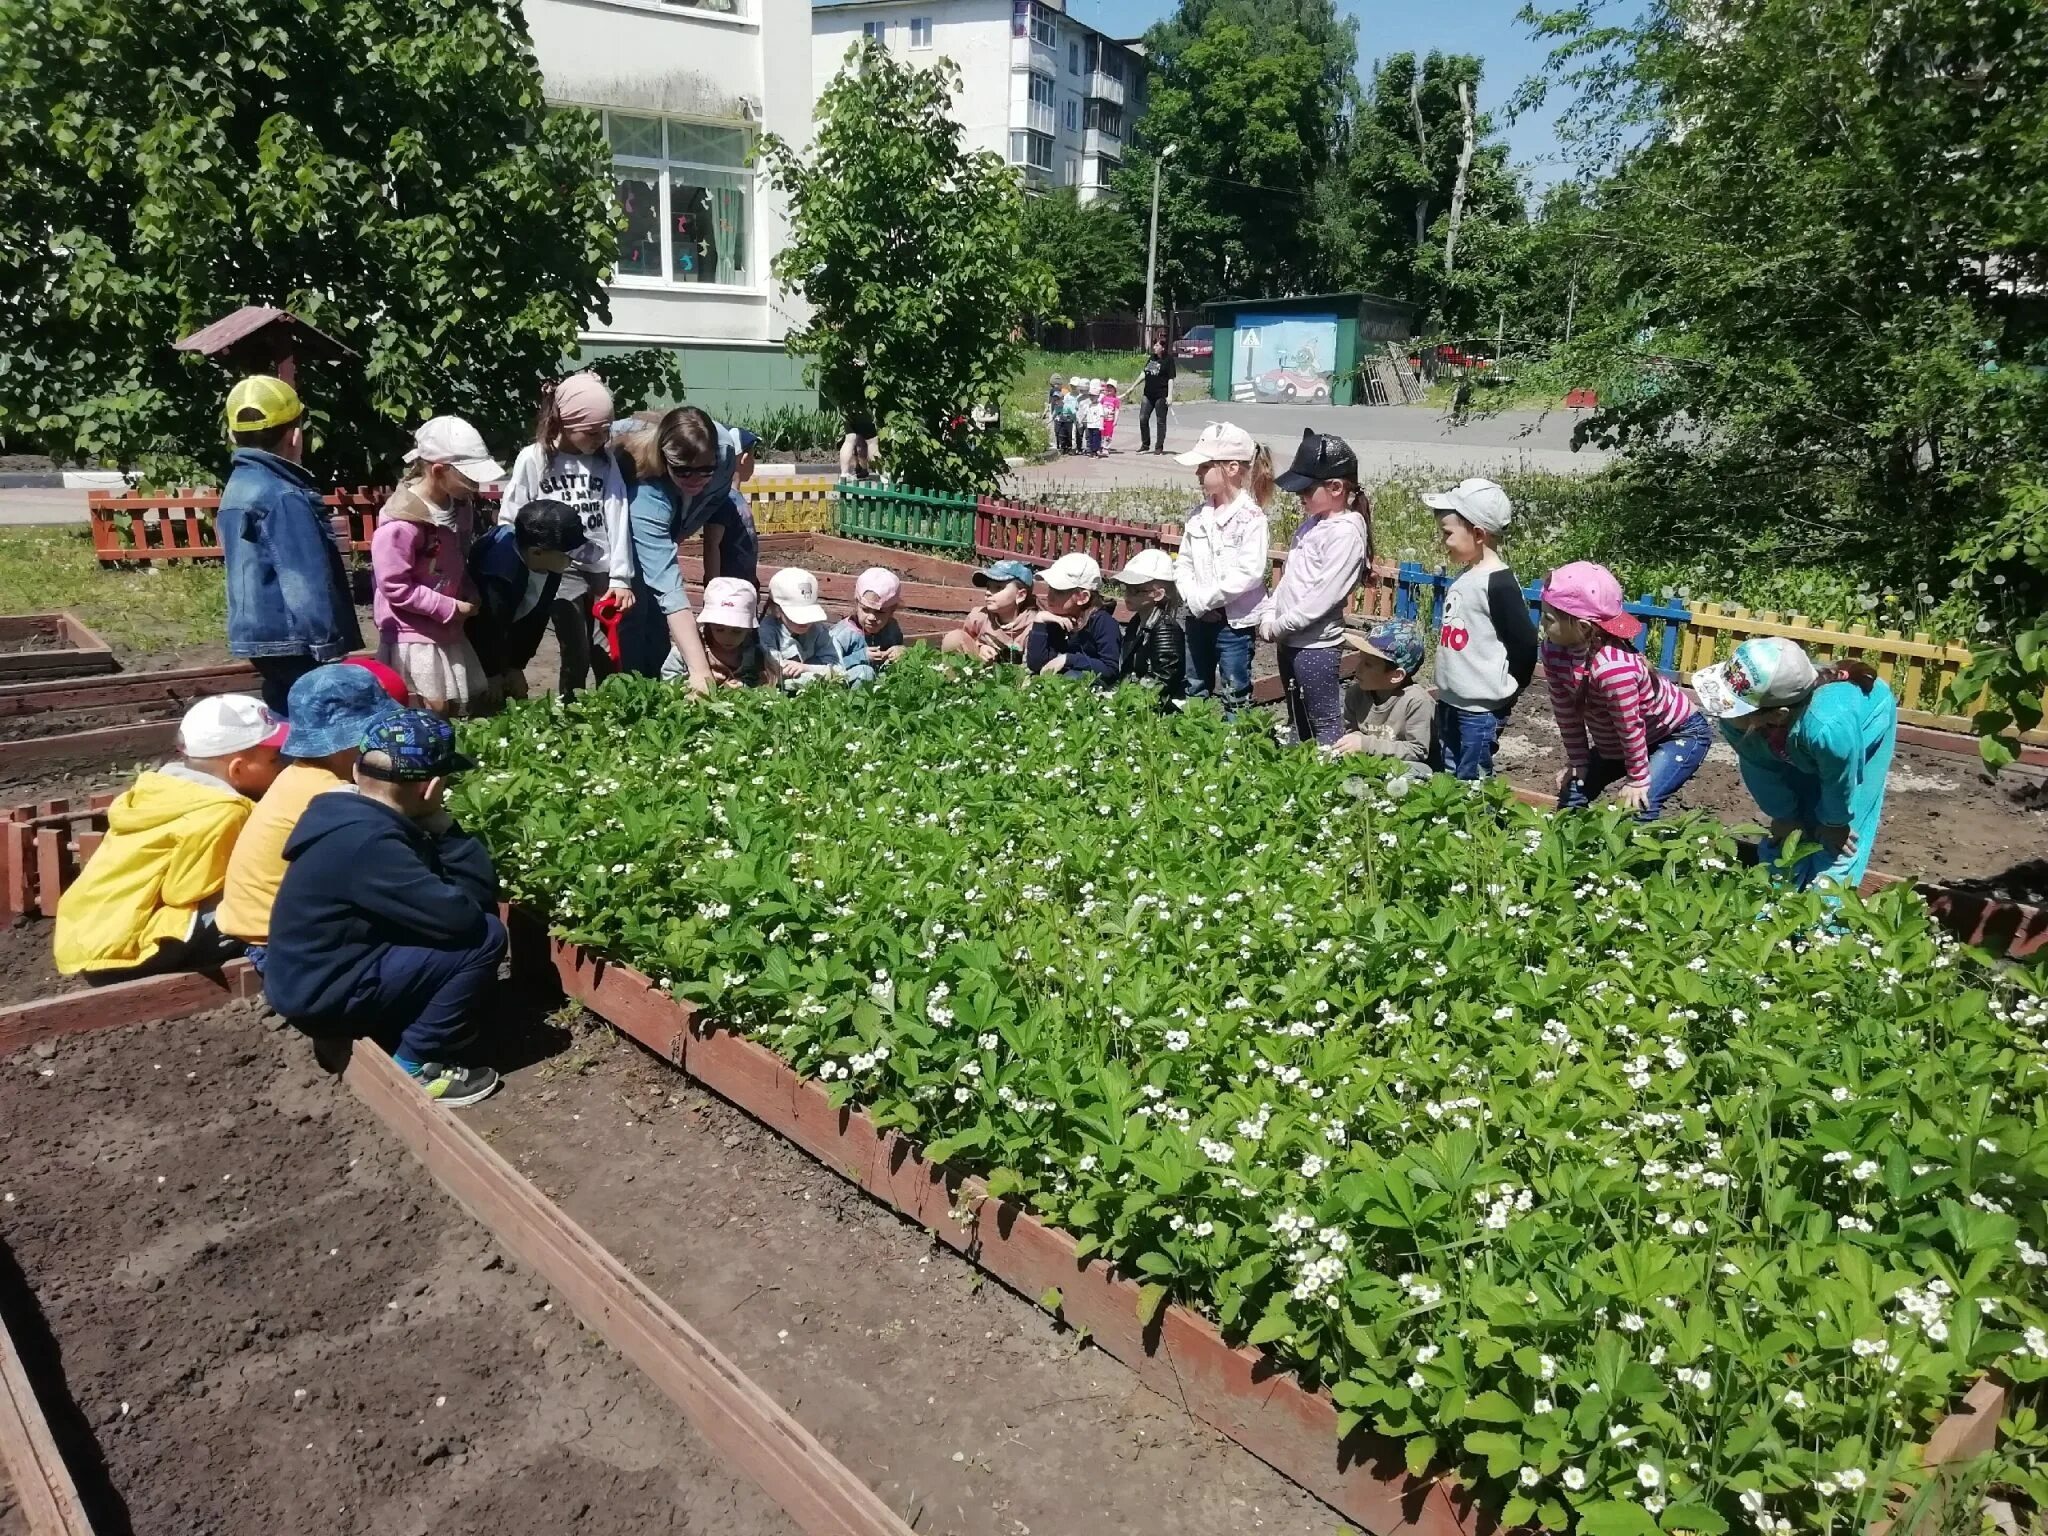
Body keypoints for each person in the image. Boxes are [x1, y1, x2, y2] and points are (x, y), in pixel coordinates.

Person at [263, 710, 504, 1106]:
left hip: (306, 979)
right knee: (485, 937)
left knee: (439, 929)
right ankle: (418, 1065)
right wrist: (445, 829)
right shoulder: (372, 845)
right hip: (321, 997)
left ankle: (398, 1024)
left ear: (357, 771)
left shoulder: (342, 816)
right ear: (431, 787)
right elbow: (466, 915)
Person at [53, 695, 287, 982]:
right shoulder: (224, 813)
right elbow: (183, 891)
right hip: (131, 951)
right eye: (275, 759)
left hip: (90, 935)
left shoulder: (161, 789)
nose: (282, 765)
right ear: (237, 769)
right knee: (259, 901)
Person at [218, 665, 403, 963]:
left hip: (260, 925)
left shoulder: (300, 774)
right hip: (282, 942)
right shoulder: (332, 797)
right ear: (350, 742)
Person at [1693, 636, 1898, 891]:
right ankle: (1774, 899)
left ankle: (1825, 913)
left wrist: (1836, 823)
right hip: (1793, 736)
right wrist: (1784, 815)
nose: (1721, 713)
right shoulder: (1738, 720)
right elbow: (1759, 770)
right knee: (1790, 829)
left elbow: (1842, 779)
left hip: (1864, 727)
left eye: (1733, 707)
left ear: (1777, 715)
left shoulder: (1828, 728)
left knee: (1840, 841)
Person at [216, 376, 363, 716]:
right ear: (296, 435)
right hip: (298, 639)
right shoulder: (283, 496)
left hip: (260, 635)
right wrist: (328, 646)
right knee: (315, 720)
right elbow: (304, 579)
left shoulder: (237, 488)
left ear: (232, 435)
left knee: (285, 706)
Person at [498, 372, 636, 698]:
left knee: (608, 647)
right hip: (560, 568)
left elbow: (618, 516)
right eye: (591, 431)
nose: (600, 438)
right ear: (564, 421)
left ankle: (611, 706)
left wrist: (621, 578)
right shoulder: (535, 459)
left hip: (601, 567)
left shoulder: (604, 463)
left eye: (606, 430)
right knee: (576, 647)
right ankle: (570, 707)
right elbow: (511, 515)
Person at [1541, 561, 1713, 819]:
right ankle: (1570, 853)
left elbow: (1629, 725)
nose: (1541, 624)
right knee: (1573, 792)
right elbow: (1567, 715)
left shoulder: (1613, 669)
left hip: (1677, 733)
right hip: (1621, 742)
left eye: (1548, 618)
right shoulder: (1552, 650)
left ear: (1584, 627)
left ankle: (1638, 858)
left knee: (1639, 805)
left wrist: (1637, 779)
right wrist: (1578, 762)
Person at [371, 416, 500, 717]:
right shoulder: (401, 524)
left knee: (457, 704)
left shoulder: (459, 508)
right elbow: (395, 587)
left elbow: (456, 558)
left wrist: (467, 590)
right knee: (431, 706)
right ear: (438, 470)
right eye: (468, 478)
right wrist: (450, 607)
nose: (475, 486)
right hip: (412, 633)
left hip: (446, 628)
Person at [1424, 477, 1538, 779]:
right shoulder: (1469, 574)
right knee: (1449, 768)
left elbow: (1524, 642)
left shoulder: (1497, 583)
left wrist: (1509, 687)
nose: (1442, 542)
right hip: (1451, 699)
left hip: (1480, 710)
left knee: (1473, 775)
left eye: (1447, 533)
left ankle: (1478, 823)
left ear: (1477, 534)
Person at [1263, 431, 1371, 747]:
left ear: (1336, 488)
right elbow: (1290, 578)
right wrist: (1271, 610)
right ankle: (1297, 777)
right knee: (1297, 717)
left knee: (1324, 721)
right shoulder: (1313, 523)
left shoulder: (1346, 533)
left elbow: (1324, 596)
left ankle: (1328, 783)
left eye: (1308, 489)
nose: (1301, 496)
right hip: (1290, 639)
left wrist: (1280, 625)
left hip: (1316, 646)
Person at [615, 405, 733, 689]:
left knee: (658, 624)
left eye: (706, 470)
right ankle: (629, 691)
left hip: (668, 529)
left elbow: (715, 501)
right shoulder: (647, 493)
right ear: (664, 459)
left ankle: (658, 684)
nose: (695, 480)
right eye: (683, 471)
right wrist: (700, 670)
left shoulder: (725, 449)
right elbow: (669, 586)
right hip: (625, 544)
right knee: (636, 611)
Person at [1173, 422, 1273, 715]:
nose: (1197, 473)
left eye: (1204, 467)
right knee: (1194, 684)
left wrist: (1206, 600)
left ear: (1231, 468)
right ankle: (1194, 741)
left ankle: (1232, 750)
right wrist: (1194, 600)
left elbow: (1249, 573)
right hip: (1197, 618)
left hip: (1234, 626)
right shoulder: (1198, 515)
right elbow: (1184, 563)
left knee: (1235, 689)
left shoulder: (1251, 518)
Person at [467, 499, 588, 707]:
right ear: (536, 552)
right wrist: (492, 673)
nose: (573, 561)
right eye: (568, 555)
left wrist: (516, 666)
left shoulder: (551, 567)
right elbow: (486, 627)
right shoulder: (499, 572)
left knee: (513, 693)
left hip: (506, 631)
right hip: (471, 640)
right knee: (487, 696)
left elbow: (536, 621)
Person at [1333, 619, 1433, 764]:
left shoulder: (1416, 701)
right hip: (1369, 761)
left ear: (1396, 676)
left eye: (1368, 664)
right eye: (1360, 659)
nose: (1358, 668)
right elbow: (1351, 732)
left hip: (1402, 766)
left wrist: (1366, 745)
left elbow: (1417, 751)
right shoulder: (1356, 694)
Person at [761, 567, 867, 688]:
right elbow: (776, 671)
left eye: (808, 614)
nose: (805, 621)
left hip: (815, 685)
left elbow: (838, 669)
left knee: (864, 672)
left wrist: (805, 668)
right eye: (797, 615)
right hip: (787, 689)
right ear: (776, 610)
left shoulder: (819, 631)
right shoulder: (767, 631)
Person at [1027, 553, 1121, 686]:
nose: (1050, 596)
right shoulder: (1056, 619)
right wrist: (1040, 621)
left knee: (1072, 677)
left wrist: (1068, 659)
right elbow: (1036, 664)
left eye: (1059, 591)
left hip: (1089, 692)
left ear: (1083, 597)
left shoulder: (1103, 623)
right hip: (1058, 689)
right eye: (1050, 588)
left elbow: (1110, 669)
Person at [1113, 548, 1185, 702]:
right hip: (1137, 697)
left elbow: (1166, 677)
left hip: (1154, 705)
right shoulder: (1137, 622)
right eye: (1126, 588)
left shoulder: (1165, 628)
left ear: (1158, 594)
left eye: (1136, 590)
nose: (1127, 595)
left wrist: (1133, 698)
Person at [942, 560, 1039, 663]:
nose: (988, 592)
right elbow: (965, 641)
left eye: (998, 587)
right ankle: (952, 678)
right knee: (953, 639)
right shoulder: (979, 617)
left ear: (1020, 595)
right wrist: (979, 648)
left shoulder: (1033, 628)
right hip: (981, 672)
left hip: (1017, 676)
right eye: (988, 587)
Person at [706, 428, 761, 588]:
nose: (753, 462)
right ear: (744, 458)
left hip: (744, 586)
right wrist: (713, 586)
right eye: (753, 456)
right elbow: (712, 544)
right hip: (727, 591)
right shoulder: (724, 499)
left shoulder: (736, 497)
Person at [835, 568, 907, 683]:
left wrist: (900, 651)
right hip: (845, 686)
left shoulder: (891, 628)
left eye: (880, 612)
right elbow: (828, 666)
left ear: (892, 611)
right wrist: (862, 656)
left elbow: (898, 646)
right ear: (857, 603)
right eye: (865, 610)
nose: (872, 617)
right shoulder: (843, 635)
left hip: (882, 685)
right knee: (865, 672)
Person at [696, 577, 770, 688]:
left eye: (737, 631)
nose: (727, 637)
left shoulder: (755, 654)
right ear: (709, 624)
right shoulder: (695, 646)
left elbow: (766, 681)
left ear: (749, 628)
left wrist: (744, 685)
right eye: (719, 629)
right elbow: (669, 675)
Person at [1138, 340, 1175, 453]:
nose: (1154, 347)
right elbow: (1145, 373)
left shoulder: (1168, 360)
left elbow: (1170, 378)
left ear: (1163, 348)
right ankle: (1145, 444)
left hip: (1161, 395)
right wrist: (1132, 387)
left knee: (1160, 421)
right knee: (1143, 418)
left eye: (1157, 345)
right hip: (1148, 394)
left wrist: (1169, 396)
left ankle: (1159, 446)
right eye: (1154, 345)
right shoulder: (1153, 358)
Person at [1082, 382, 1105, 457]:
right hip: (1090, 425)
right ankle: (1092, 451)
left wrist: (1101, 425)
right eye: (1090, 396)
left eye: (1094, 396)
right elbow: (1085, 413)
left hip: (1097, 425)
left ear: (1098, 396)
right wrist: (1082, 420)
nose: (1092, 398)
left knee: (1096, 439)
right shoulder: (1089, 405)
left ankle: (1095, 451)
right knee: (1090, 438)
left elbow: (1101, 415)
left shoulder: (1099, 406)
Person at [1101, 379, 1121, 452]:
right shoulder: (1103, 398)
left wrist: (1115, 420)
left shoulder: (1116, 400)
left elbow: (1117, 410)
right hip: (1102, 420)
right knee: (1101, 433)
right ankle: (1101, 446)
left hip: (1110, 420)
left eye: (1111, 387)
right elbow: (1099, 408)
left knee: (1108, 434)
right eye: (1108, 387)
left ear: (1114, 390)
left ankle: (1106, 448)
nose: (1109, 389)